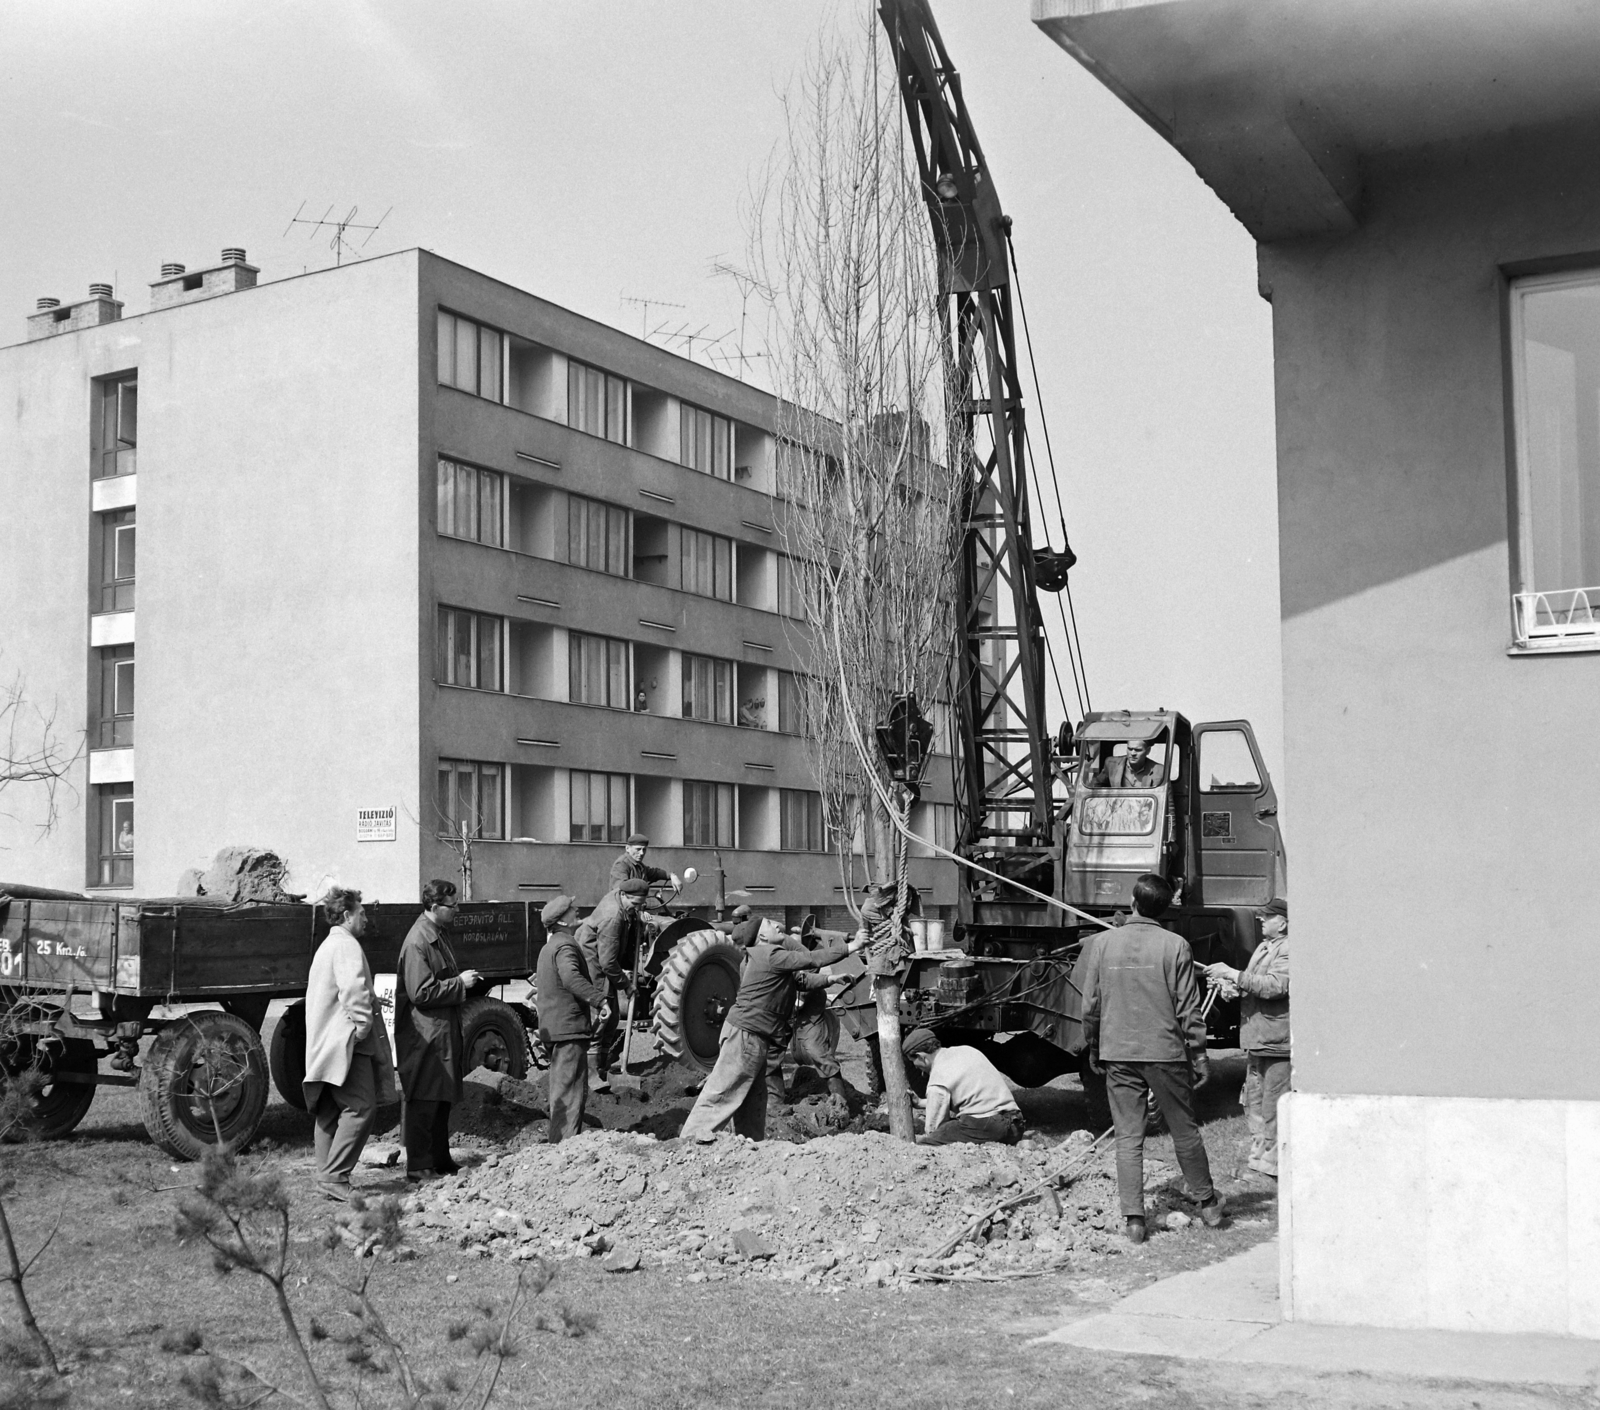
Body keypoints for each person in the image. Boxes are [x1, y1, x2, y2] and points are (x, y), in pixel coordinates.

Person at [1081, 872, 1225, 1242]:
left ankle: (1134, 1220)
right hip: (1166, 1052)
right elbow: (1189, 1009)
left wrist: (1095, 1047)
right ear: (1165, 909)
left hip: (1118, 1051)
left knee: (1128, 1137)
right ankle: (1208, 1205)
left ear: (1132, 902)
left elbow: (1091, 1005)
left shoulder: (1102, 944)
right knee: (1184, 1130)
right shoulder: (1176, 946)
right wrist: (1200, 1056)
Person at [680, 916, 864, 1143]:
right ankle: (687, 1143)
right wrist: (851, 947)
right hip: (745, 1035)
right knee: (722, 1092)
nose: (778, 925)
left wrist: (829, 979)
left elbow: (799, 981)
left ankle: (751, 1145)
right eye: (770, 924)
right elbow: (809, 958)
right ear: (763, 936)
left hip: (755, 1036)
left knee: (753, 1099)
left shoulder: (764, 958)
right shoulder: (769, 954)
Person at [302, 887, 397, 1200]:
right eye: (362, 913)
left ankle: (325, 1175)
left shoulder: (328, 946)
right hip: (347, 1044)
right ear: (347, 916)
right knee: (360, 1108)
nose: (366, 919)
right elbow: (355, 992)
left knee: (330, 1111)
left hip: (326, 1044)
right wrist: (362, 1027)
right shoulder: (346, 946)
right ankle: (335, 1177)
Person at [394, 879, 482, 1182]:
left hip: (439, 1032)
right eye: (452, 905)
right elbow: (420, 992)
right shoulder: (419, 941)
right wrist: (460, 984)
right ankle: (419, 1166)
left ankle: (440, 1160)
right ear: (434, 907)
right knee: (425, 1100)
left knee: (441, 1097)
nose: (457, 909)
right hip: (425, 1036)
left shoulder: (436, 935)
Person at [1205, 897, 1290, 1178]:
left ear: (1284, 922)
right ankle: (1259, 1161)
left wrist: (1233, 974)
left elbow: (1276, 986)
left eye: (1268, 917)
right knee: (1253, 1101)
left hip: (1276, 1041)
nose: (1261, 920)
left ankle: (1275, 1165)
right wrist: (1231, 988)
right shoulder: (1265, 947)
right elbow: (1253, 985)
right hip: (1257, 1038)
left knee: (1273, 1105)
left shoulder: (1289, 949)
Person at [534, 894, 612, 1143]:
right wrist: (599, 999)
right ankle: (564, 1149)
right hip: (569, 1031)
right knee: (570, 1094)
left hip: (556, 1029)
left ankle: (560, 1146)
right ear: (562, 921)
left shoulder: (549, 947)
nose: (576, 910)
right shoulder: (565, 945)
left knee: (563, 1090)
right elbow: (570, 978)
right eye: (571, 909)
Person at [574, 877, 649, 1092]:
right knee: (601, 1017)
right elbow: (607, 962)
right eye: (635, 905)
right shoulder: (613, 917)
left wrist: (637, 919)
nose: (637, 908)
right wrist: (626, 984)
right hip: (593, 964)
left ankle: (603, 1067)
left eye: (641, 904)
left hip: (603, 960)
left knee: (614, 1016)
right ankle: (590, 1074)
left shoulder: (622, 901)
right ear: (624, 896)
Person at [902, 1029, 1025, 1145]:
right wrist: (920, 1103)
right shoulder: (965, 1051)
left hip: (994, 1127)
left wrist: (932, 1138)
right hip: (1016, 1125)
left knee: (932, 1140)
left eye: (914, 1062)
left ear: (921, 1057)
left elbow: (933, 1128)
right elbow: (963, 1096)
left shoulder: (938, 1077)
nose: (916, 1067)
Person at [608, 833, 679, 892]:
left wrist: (672, 876)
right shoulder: (622, 864)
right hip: (622, 907)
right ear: (627, 848)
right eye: (638, 849)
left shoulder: (640, 866)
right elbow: (620, 889)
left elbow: (655, 873)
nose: (641, 853)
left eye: (644, 850)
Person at [1090, 738, 1165, 790]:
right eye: (1130, 749)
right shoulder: (1111, 764)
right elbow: (1097, 786)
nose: (1133, 753)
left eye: (1138, 750)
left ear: (1148, 751)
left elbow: (1168, 803)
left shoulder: (1159, 771)